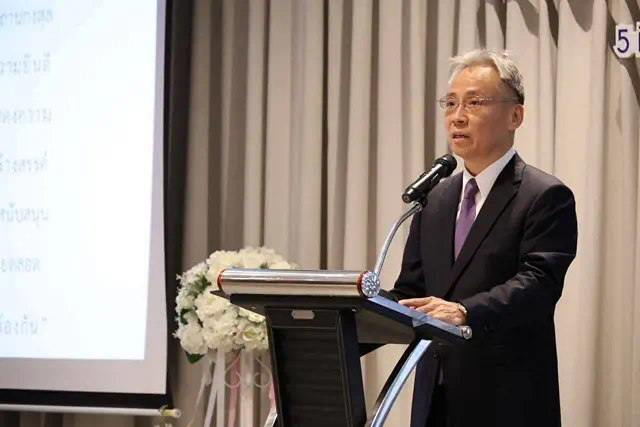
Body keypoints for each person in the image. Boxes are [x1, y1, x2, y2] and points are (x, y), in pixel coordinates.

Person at [391, 49, 578, 427]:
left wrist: (464, 311)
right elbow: (411, 292)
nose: (457, 116)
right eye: (450, 103)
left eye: (474, 103)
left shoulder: (544, 196)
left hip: (507, 401)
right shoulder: (435, 199)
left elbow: (538, 285)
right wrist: (342, 322)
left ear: (515, 116)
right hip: (435, 401)